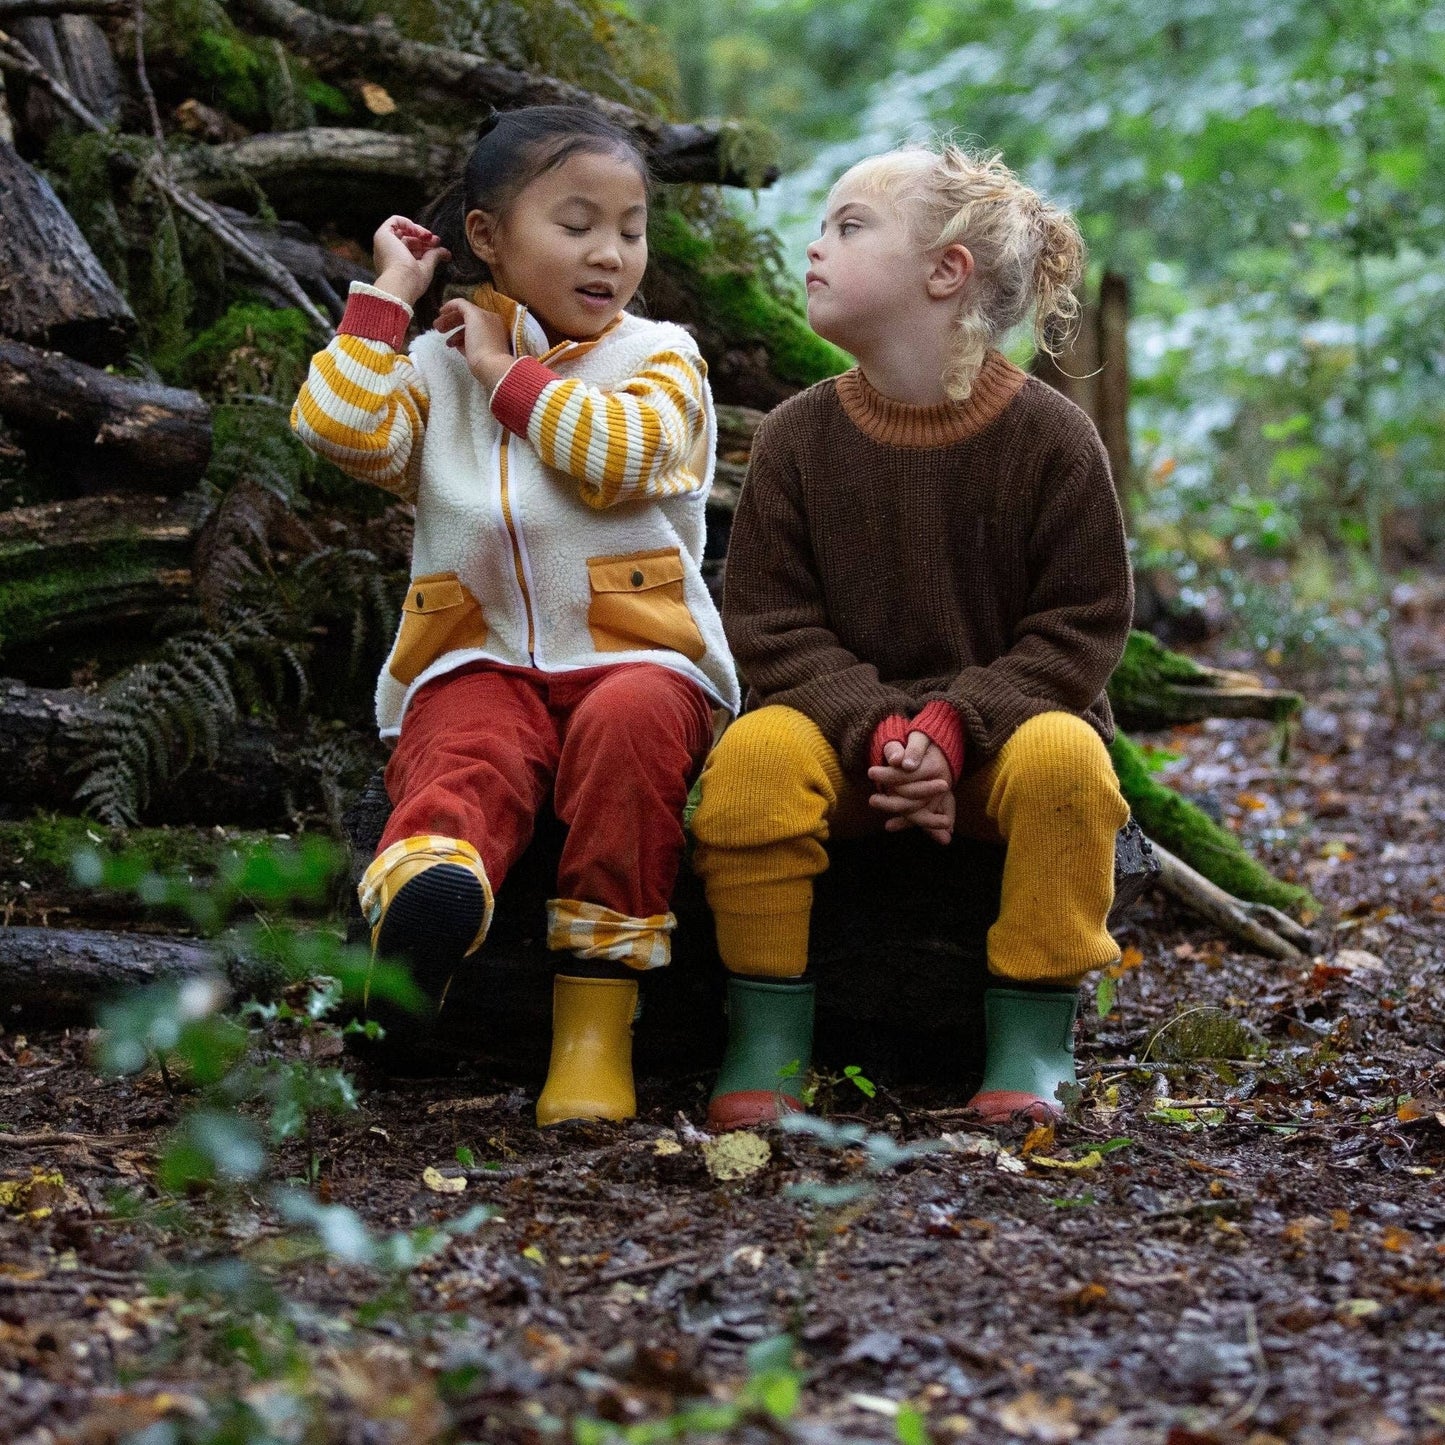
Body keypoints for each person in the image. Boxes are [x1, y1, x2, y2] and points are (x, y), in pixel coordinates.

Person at [291, 105, 738, 1126]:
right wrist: (389, 299)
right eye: (575, 223)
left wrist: (502, 370)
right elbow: (337, 430)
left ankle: (591, 1033)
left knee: (628, 739)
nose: (609, 253)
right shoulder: (439, 369)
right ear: (488, 238)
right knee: (463, 749)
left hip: (641, 661)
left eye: (628, 227)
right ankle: (419, 924)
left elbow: (618, 456)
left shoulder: (661, 358)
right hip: (474, 650)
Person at [691, 143, 1134, 1129]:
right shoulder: (798, 437)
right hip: (840, 748)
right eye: (820, 224)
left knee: (1072, 766)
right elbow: (766, 620)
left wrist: (950, 725)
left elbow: (1079, 625)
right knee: (751, 763)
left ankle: (1029, 1039)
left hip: (998, 751)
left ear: (945, 273)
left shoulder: (1052, 441)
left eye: (849, 226)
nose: (812, 246)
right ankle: (765, 1034)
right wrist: (880, 731)